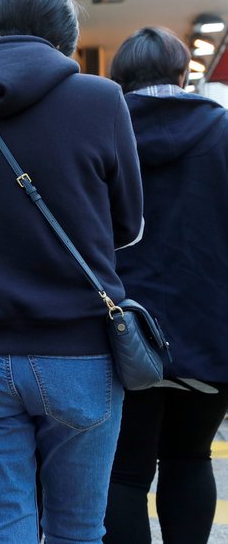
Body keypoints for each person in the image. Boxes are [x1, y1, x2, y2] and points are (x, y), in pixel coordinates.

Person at [0, 0, 144, 542]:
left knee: (1, 528)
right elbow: (129, 226)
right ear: (65, 36)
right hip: (79, 351)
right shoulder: (101, 98)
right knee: (76, 528)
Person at [103, 27, 228, 544]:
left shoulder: (102, 131)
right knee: (190, 455)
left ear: (119, 78)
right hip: (211, 333)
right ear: (184, 74)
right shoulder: (223, 131)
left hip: (123, 332)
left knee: (125, 472)